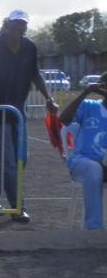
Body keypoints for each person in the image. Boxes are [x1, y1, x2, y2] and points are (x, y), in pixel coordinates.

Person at [0, 10, 58, 222]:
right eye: (15, 23)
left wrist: (48, 98)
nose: (18, 27)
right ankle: (18, 207)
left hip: (18, 113)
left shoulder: (29, 46)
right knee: (9, 164)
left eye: (22, 24)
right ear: (6, 24)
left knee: (22, 161)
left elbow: (35, 74)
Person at [58, 71, 107, 229]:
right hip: (84, 162)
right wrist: (84, 93)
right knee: (94, 169)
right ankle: (94, 228)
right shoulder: (88, 105)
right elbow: (64, 119)